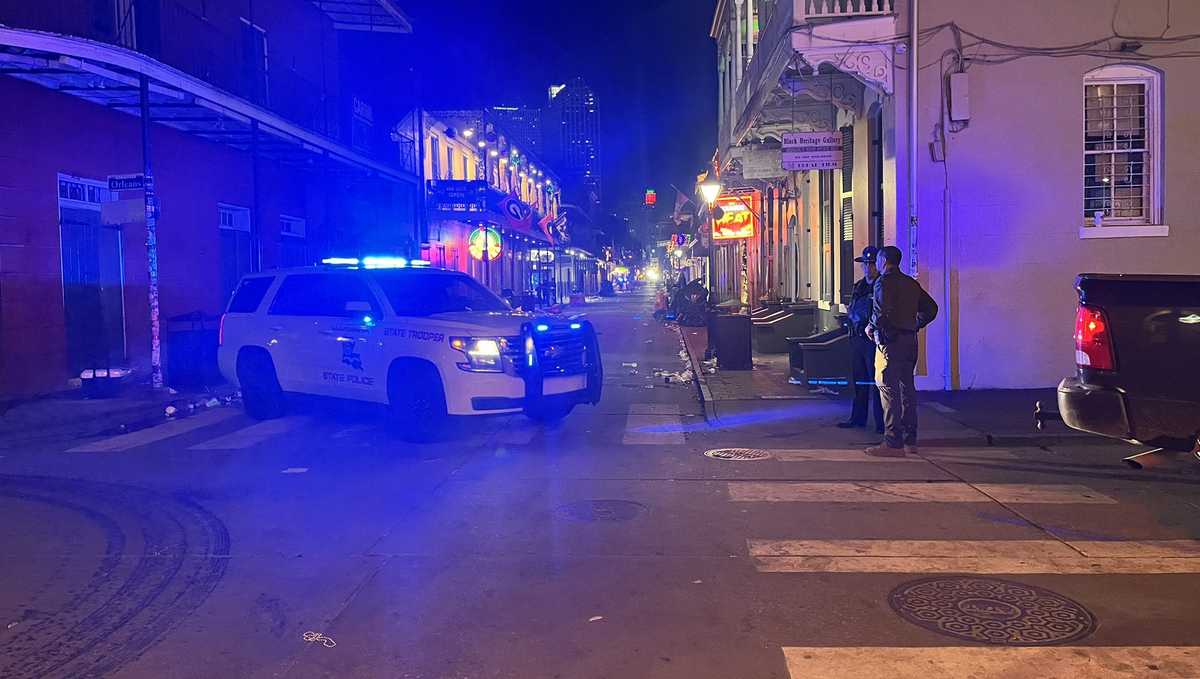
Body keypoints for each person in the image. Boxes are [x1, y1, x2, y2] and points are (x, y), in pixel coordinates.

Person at [864, 246, 938, 457]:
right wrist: (915, 324)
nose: (876, 264)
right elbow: (931, 308)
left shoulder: (883, 282)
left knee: (888, 390)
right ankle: (910, 440)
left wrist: (870, 326)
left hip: (890, 342)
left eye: (878, 260)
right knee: (907, 390)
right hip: (909, 342)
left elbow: (881, 311)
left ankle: (892, 441)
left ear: (884, 260)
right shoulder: (910, 283)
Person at [837, 246, 884, 434]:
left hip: (873, 339)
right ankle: (858, 418)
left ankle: (881, 423)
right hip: (857, 338)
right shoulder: (859, 286)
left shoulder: (881, 286)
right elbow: (852, 307)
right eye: (865, 264)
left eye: (871, 264)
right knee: (859, 381)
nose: (867, 268)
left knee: (877, 384)